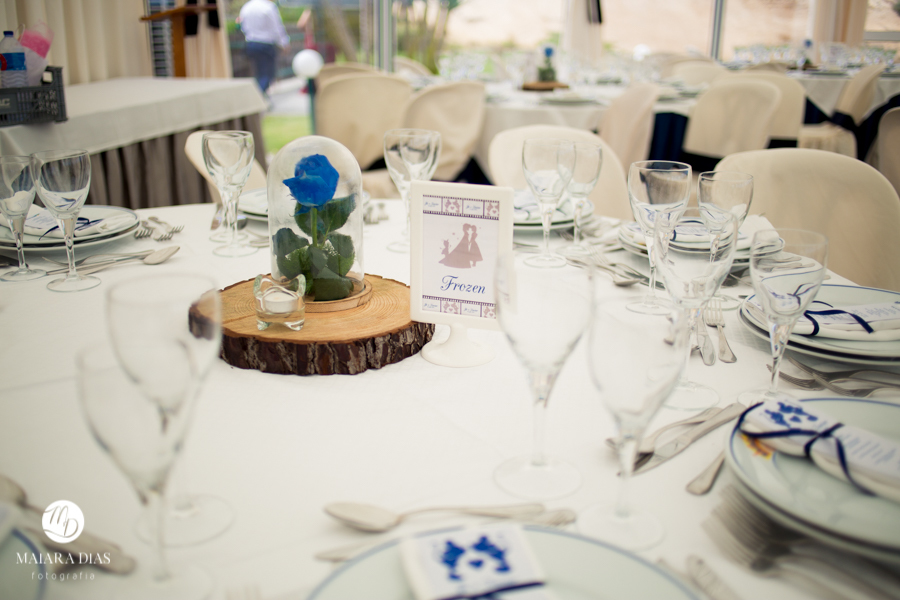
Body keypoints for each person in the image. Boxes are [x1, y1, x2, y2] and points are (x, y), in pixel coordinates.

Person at [238, 0, 290, 94]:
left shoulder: (246, 7)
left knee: (258, 73)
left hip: (251, 43)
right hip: (266, 44)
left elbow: (243, 26)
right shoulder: (268, 7)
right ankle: (259, 98)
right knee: (267, 74)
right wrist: (284, 43)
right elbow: (277, 28)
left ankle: (260, 96)